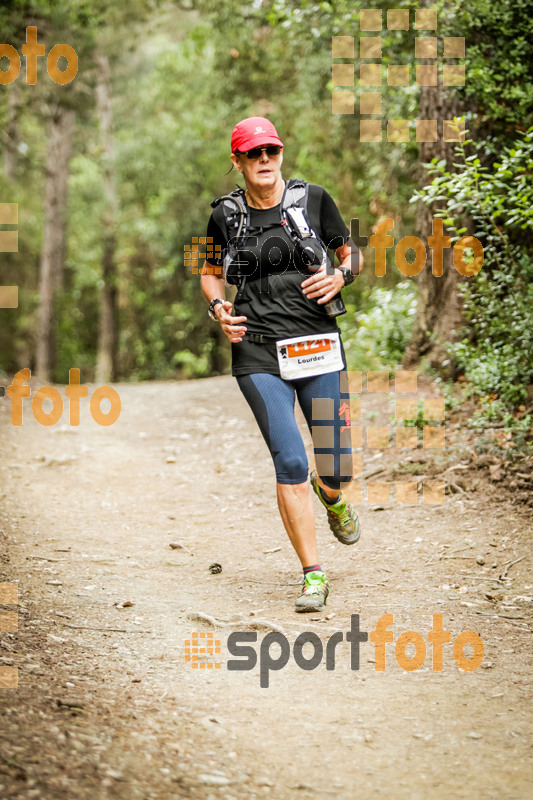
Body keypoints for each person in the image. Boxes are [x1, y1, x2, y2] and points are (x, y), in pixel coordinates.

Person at [200, 116, 363, 613]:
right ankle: (313, 575)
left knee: (336, 464)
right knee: (289, 460)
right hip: (258, 351)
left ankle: (331, 495)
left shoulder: (313, 200)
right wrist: (218, 308)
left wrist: (341, 277)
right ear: (238, 161)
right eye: (253, 154)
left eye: (271, 151)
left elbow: (350, 252)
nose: (264, 160)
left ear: (281, 154)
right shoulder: (225, 217)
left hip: (317, 345)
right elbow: (209, 273)